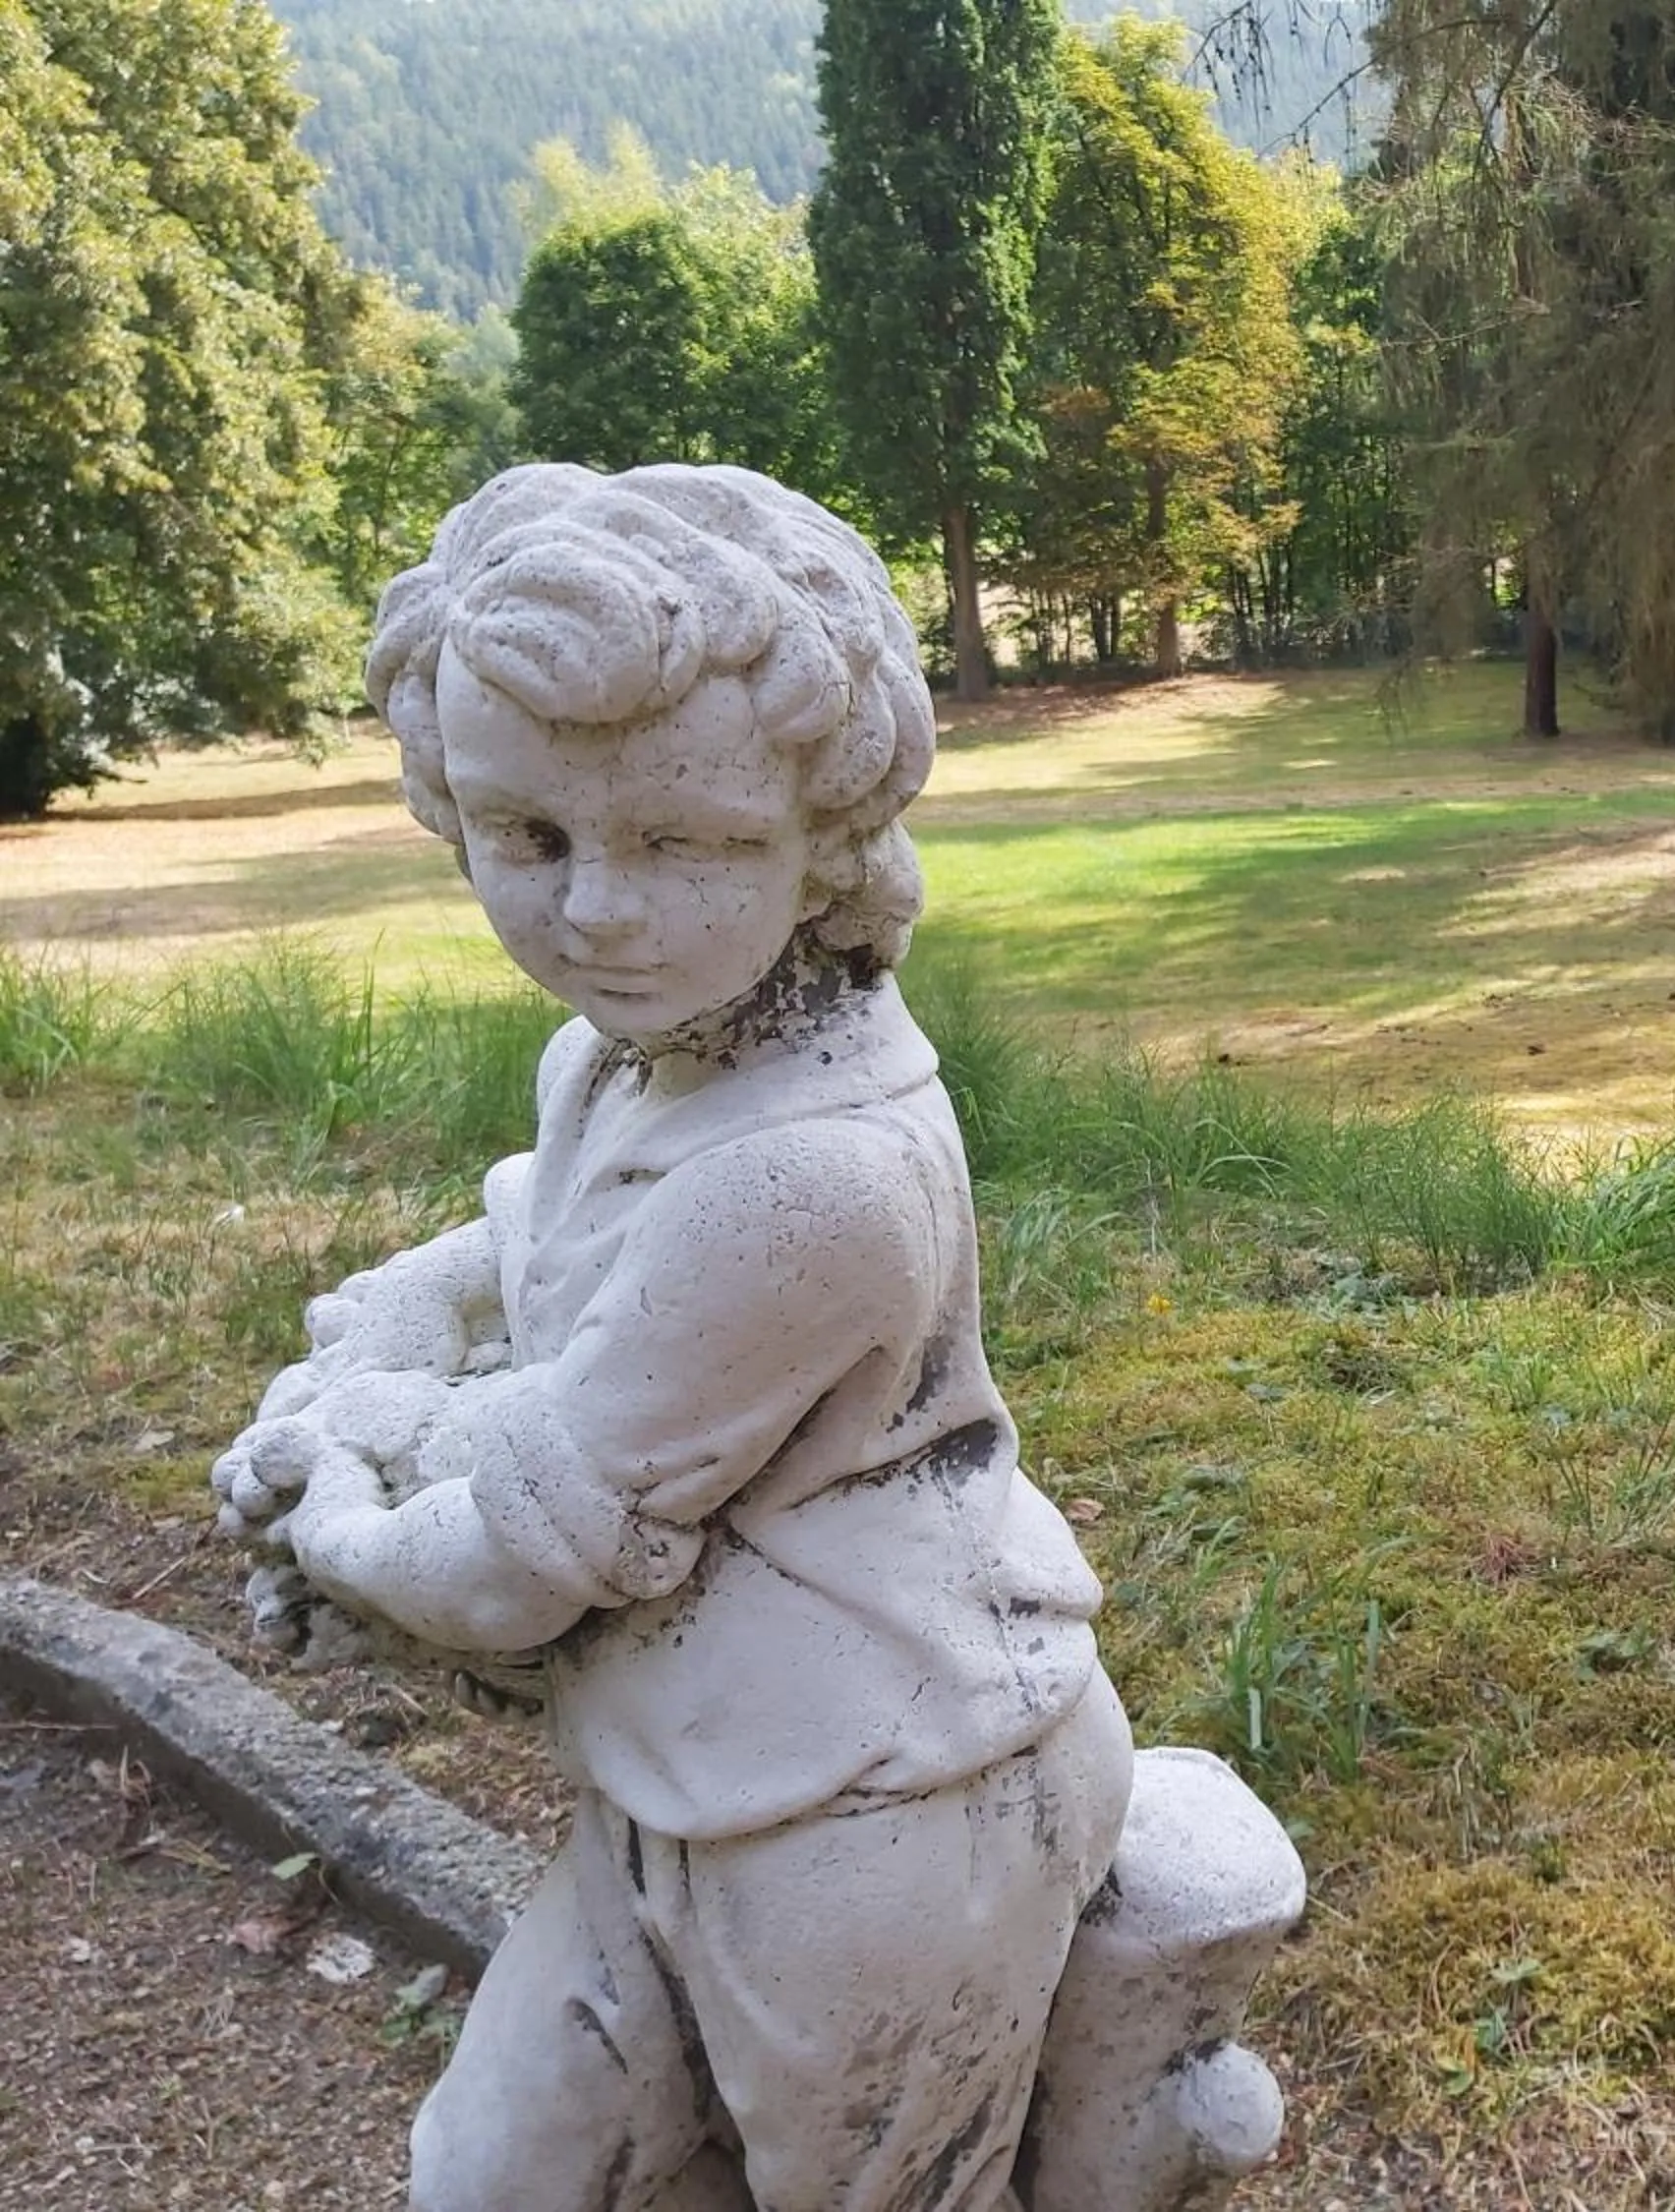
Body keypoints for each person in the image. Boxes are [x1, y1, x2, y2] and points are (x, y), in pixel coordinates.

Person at [213, 463, 1134, 2212]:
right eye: (529, 838)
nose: (598, 915)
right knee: (492, 2176)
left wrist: (325, 1500)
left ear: (824, 845)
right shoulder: (631, 1050)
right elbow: (550, 1221)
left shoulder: (815, 1176)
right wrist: (410, 1303)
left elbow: (515, 1560)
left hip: (883, 1810)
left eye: (685, 843)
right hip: (673, 1780)